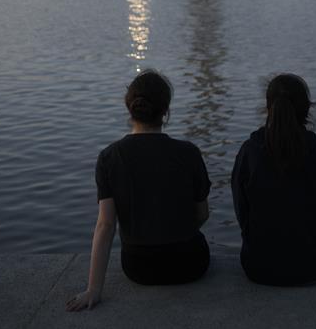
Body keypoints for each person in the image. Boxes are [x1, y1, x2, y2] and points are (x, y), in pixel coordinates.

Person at [66, 69, 211, 311]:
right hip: (190, 264)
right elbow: (203, 214)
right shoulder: (189, 153)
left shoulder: (109, 157)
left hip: (140, 268)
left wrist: (93, 289)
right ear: (165, 111)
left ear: (129, 108)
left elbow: (106, 225)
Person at [231, 73, 316, 286]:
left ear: (268, 109)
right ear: (308, 109)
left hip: (258, 266)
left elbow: (242, 214)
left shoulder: (249, 153)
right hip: (313, 266)